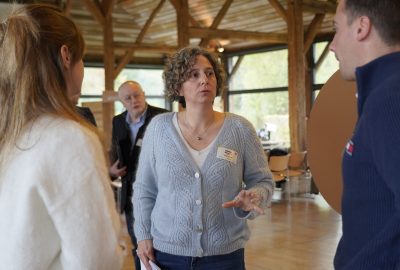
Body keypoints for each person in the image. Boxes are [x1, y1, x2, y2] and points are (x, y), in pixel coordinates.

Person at [0, 4, 122, 270]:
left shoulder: (8, 133)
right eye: (83, 60)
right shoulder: (69, 138)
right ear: (66, 56)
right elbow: (96, 261)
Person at [133, 46, 274, 270]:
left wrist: (254, 197)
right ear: (177, 85)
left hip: (224, 256)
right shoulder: (159, 129)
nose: (204, 80)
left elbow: (263, 181)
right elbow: (144, 189)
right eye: (193, 75)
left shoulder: (240, 129)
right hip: (167, 254)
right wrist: (142, 235)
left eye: (209, 73)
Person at [329, 0, 400, 269]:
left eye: (336, 29)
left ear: (361, 28)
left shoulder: (390, 100)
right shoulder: (382, 95)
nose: (333, 45)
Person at [109, 80, 167, 269]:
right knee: (139, 247)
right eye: (128, 98)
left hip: (160, 195)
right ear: (122, 102)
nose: (134, 100)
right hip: (131, 196)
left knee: (161, 247)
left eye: (137, 95)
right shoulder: (117, 121)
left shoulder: (162, 117)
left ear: (144, 94)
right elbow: (114, 151)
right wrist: (111, 170)